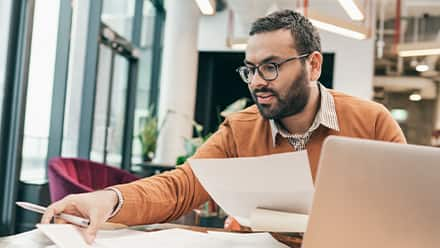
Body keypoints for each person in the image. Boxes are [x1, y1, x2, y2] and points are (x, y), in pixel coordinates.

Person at [41, 9, 405, 243]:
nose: (257, 81)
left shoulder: (371, 122)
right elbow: (181, 186)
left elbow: (405, 212)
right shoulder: (240, 129)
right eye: (251, 68)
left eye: (271, 66)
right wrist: (108, 198)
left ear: (312, 66)